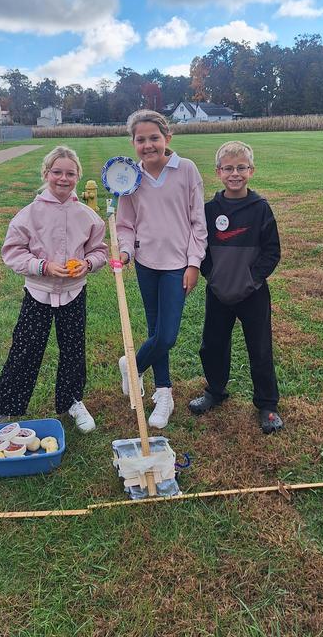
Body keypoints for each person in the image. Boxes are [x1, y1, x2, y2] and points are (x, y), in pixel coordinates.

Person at [0, 145, 108, 444]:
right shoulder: (28, 215)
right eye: (57, 172)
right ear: (46, 173)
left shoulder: (88, 216)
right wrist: (42, 266)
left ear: (78, 176)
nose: (63, 179)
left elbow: (99, 251)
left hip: (73, 294)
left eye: (70, 173)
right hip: (38, 293)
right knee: (24, 351)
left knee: (73, 350)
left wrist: (88, 263)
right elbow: (12, 252)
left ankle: (71, 401)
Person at [115, 109, 207, 429]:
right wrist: (125, 252)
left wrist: (194, 263)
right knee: (156, 331)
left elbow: (198, 221)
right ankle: (163, 392)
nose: (148, 145)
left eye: (154, 138)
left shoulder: (187, 170)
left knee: (167, 335)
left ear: (167, 138)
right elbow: (125, 224)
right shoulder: (130, 177)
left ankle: (134, 364)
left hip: (177, 265)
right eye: (141, 139)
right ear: (133, 143)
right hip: (145, 263)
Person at [188, 140, 283, 434]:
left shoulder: (260, 209)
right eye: (228, 168)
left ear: (251, 171)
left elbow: (272, 251)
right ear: (218, 172)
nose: (235, 173)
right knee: (212, 345)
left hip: (252, 293)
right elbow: (198, 248)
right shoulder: (209, 210)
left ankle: (267, 404)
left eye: (241, 168)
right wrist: (211, 275)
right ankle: (215, 391)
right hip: (218, 291)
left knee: (260, 348)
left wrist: (252, 278)